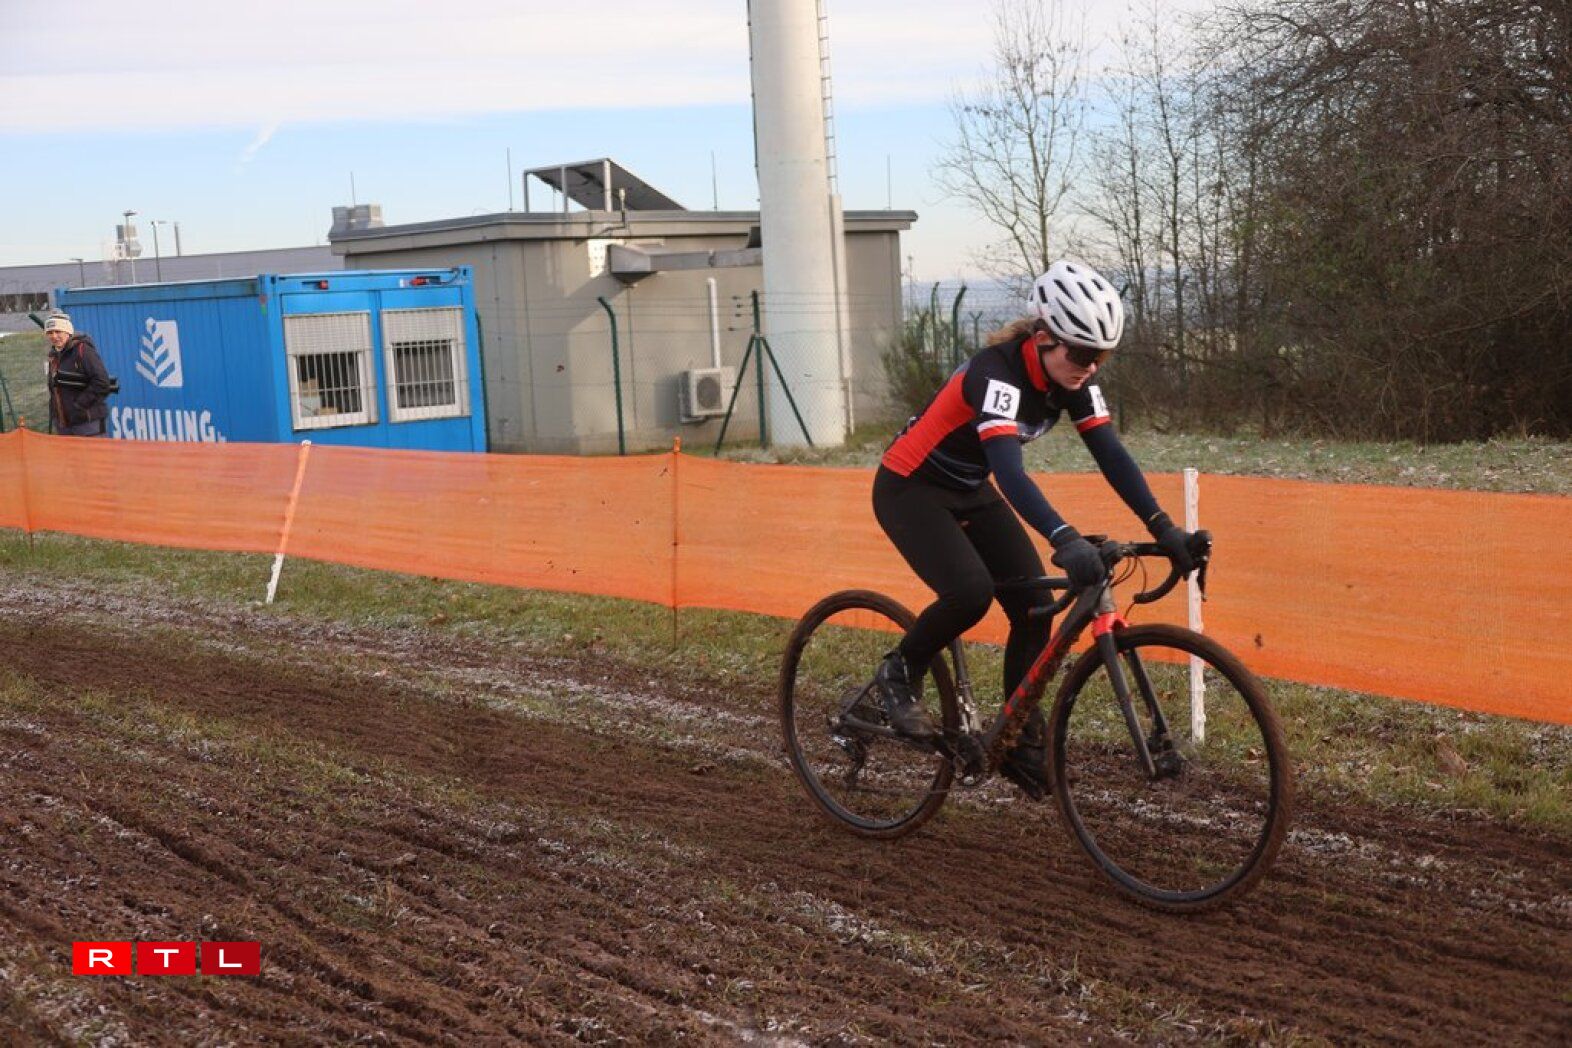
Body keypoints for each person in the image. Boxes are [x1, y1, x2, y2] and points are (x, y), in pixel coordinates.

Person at [871, 259, 1197, 800]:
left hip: (968, 487)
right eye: (1082, 353)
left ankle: (1017, 740)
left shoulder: (1072, 377)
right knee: (970, 592)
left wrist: (1164, 528)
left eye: (1101, 357)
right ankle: (900, 672)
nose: (1090, 367)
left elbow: (1111, 455)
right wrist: (1063, 537)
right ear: (1044, 337)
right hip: (910, 487)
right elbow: (1010, 471)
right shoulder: (995, 374)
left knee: (1033, 609)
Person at [44, 312, 113, 437]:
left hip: (88, 423)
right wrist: (55, 414)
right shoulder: (53, 356)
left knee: (94, 451)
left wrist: (78, 405)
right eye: (50, 332)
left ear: (68, 332)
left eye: (58, 331)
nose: (54, 336)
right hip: (64, 426)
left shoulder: (83, 350)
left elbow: (102, 382)